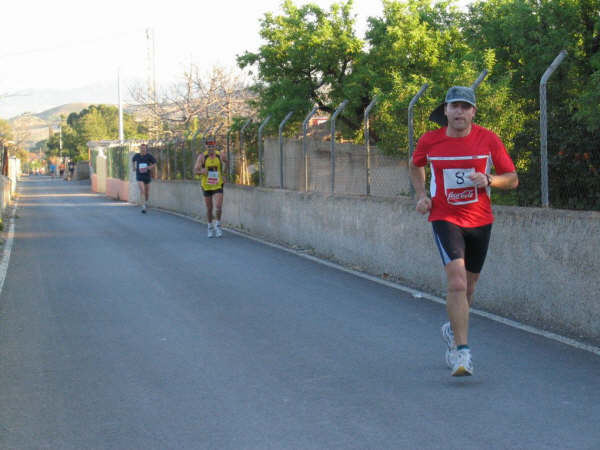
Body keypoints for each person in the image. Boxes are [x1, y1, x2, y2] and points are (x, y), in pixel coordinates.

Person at [409, 86, 518, 377]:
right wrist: (421, 195)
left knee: (468, 288)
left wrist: (489, 180)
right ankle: (461, 352)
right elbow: (415, 164)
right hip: (445, 218)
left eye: (465, 106)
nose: (459, 111)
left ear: (473, 112)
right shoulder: (430, 141)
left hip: (480, 221)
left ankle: (452, 328)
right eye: (454, 106)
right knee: (456, 283)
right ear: (445, 111)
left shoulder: (488, 139)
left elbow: (513, 179)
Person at [194, 137, 227, 237]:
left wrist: (224, 174)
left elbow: (226, 163)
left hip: (217, 184)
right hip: (207, 185)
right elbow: (195, 170)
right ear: (206, 146)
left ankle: (218, 225)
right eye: (209, 146)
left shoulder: (219, 155)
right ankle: (209, 226)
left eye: (212, 146)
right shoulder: (202, 157)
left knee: (218, 206)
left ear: (215, 146)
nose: (211, 148)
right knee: (209, 208)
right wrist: (201, 172)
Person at [132, 143, 157, 213]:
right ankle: (143, 207)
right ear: (140, 148)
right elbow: (133, 160)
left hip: (147, 175)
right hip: (139, 175)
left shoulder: (149, 156)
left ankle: (145, 202)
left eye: (144, 148)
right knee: (142, 190)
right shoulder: (136, 155)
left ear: (146, 149)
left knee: (147, 192)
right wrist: (133, 167)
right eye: (141, 148)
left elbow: (155, 163)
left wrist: (150, 167)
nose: (142, 149)